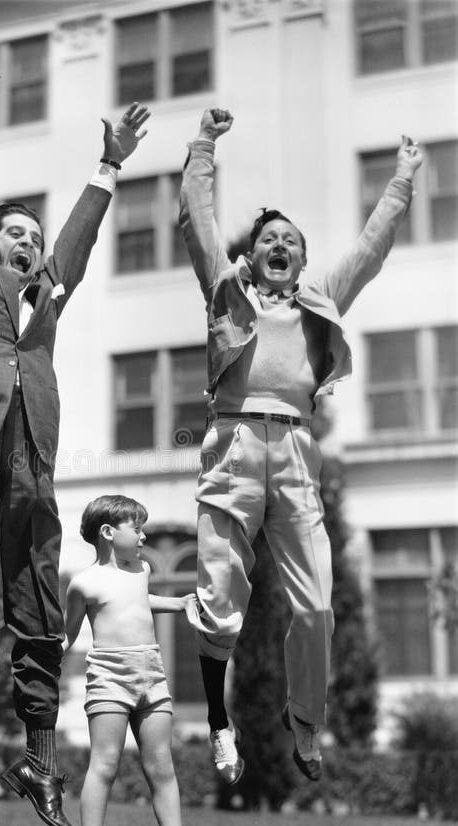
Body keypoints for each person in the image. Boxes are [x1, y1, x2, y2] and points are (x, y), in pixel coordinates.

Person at [0, 37, 150, 826]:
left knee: (39, 622)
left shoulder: (44, 305)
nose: (27, 242)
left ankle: (39, 764)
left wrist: (107, 165)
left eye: (33, 235)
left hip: (32, 485)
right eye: (14, 233)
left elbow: (78, 246)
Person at [179, 108, 423, 784]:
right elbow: (198, 219)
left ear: (302, 258)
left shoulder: (320, 298)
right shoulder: (224, 293)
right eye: (268, 238)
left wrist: (401, 179)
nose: (279, 244)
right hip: (231, 445)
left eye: (290, 238)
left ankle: (305, 724)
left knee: (317, 602)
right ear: (251, 254)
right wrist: (203, 146)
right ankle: (218, 721)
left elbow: (370, 251)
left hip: (294, 452)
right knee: (220, 599)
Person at [63, 495, 199, 826]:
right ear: (108, 532)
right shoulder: (83, 582)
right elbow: (69, 633)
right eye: (136, 528)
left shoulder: (141, 569)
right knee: (104, 764)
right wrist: (46, 658)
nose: (142, 536)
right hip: (109, 676)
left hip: (151, 672)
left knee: (161, 766)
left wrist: (178, 603)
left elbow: (137, 600)